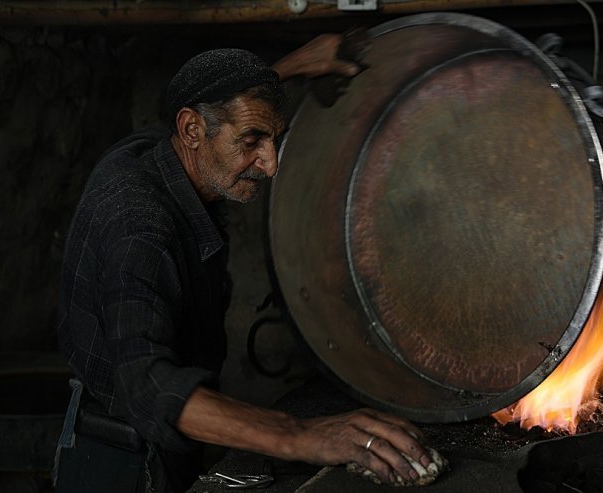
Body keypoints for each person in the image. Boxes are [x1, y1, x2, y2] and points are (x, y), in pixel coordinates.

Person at [54, 34, 433, 493]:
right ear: (192, 130)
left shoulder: (161, 149)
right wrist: (300, 435)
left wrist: (288, 68)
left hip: (167, 442)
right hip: (123, 460)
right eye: (252, 140)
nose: (270, 164)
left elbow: (214, 105)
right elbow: (148, 387)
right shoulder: (140, 227)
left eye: (275, 140)